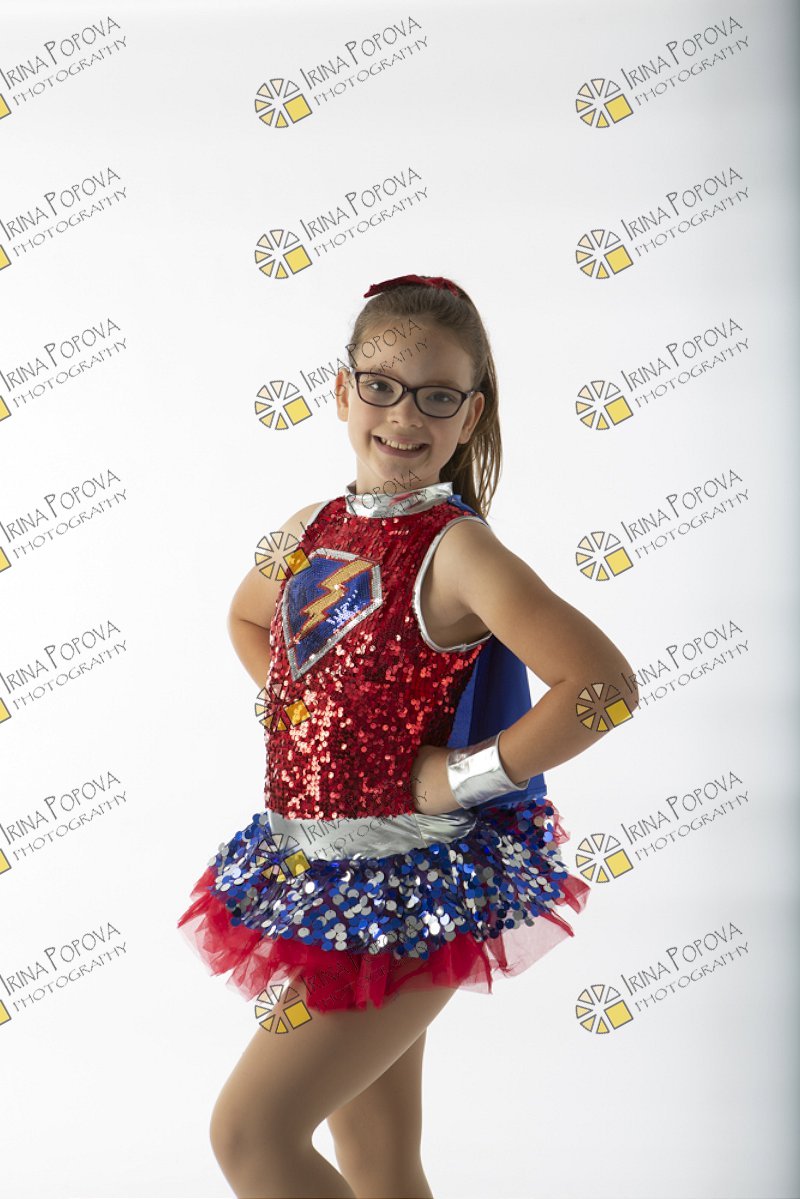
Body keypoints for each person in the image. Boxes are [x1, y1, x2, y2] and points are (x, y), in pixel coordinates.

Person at [176, 273, 639, 1199]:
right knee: (378, 1160)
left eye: (436, 396)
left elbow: (602, 689)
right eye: (382, 386)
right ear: (342, 392)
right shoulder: (306, 527)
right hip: (319, 877)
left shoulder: (458, 550)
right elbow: (246, 616)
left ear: (470, 416)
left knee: (251, 1134)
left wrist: (458, 777)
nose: (403, 414)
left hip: (411, 883)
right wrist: (317, 717)